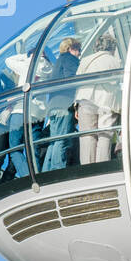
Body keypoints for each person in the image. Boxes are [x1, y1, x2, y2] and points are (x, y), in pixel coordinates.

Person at [75, 32, 121, 165]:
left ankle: (87, 168)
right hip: (107, 101)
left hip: (85, 99)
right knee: (105, 135)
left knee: (87, 136)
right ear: (112, 46)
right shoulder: (114, 60)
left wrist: (76, 106)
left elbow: (77, 82)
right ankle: (102, 166)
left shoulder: (85, 60)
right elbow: (117, 83)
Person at [41, 37, 81, 171]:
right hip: (64, 104)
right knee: (62, 140)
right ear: (70, 48)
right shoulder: (70, 59)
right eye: (78, 49)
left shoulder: (58, 62)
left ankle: (47, 172)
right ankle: (58, 170)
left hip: (53, 106)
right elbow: (73, 78)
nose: (79, 53)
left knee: (55, 141)